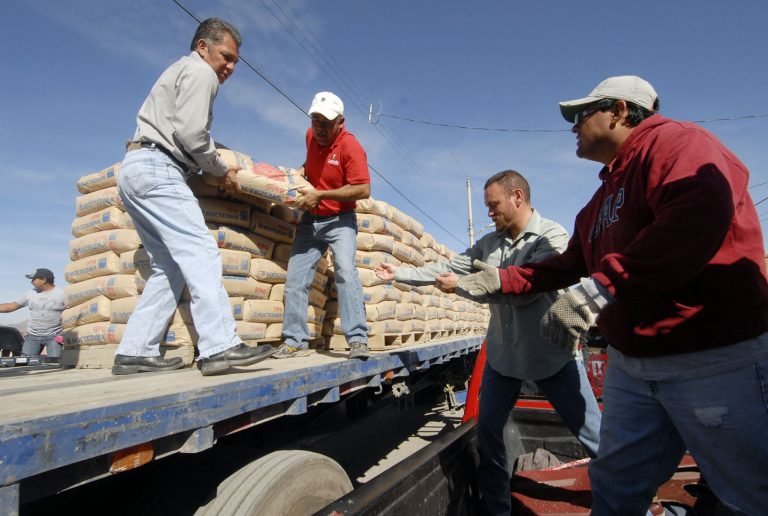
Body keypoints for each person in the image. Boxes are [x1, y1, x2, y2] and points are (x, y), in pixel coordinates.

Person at [444, 76, 768, 515]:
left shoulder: (679, 144)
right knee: (614, 488)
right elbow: (564, 265)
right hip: (633, 367)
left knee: (749, 493)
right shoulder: (599, 203)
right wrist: (501, 281)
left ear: (618, 110)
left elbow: (695, 217)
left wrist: (601, 289)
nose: (572, 127)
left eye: (581, 116)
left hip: (710, 358)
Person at [376, 171, 601, 516]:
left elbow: (527, 291)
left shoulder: (550, 236)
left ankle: (623, 501)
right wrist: (400, 274)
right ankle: (498, 510)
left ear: (517, 197)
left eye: (493, 205)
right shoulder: (489, 244)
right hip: (503, 359)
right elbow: (450, 267)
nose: (489, 213)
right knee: (489, 436)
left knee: (595, 437)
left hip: (550, 359)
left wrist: (464, 286)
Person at [112, 18, 274, 376]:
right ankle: (219, 347)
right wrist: (221, 169)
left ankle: (135, 351)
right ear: (203, 47)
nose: (229, 67)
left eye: (235, 62)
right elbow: (192, 135)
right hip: (158, 167)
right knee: (199, 251)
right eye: (226, 57)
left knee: (167, 266)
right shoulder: (201, 73)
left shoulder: (180, 71)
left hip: (136, 168)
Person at [276, 91, 371, 359]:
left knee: (345, 270)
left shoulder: (350, 146)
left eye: (326, 123)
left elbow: (363, 189)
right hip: (311, 220)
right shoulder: (310, 137)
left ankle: (357, 339)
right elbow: (310, 164)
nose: (319, 128)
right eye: (315, 120)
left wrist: (321, 195)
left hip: (340, 220)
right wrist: (298, 176)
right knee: (296, 277)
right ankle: (295, 340)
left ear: (341, 121)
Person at [0, 268, 65, 358]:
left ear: (44, 280)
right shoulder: (30, 294)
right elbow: (11, 306)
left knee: (54, 364)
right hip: (32, 337)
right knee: (25, 364)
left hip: (54, 337)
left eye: (34, 279)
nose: (31, 282)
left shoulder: (62, 293)